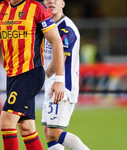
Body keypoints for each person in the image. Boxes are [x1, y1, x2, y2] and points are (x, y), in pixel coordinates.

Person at [0, 0, 65, 149]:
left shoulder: (36, 7)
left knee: (6, 122)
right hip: (12, 77)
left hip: (30, 74)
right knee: (26, 128)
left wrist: (59, 79)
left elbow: (56, 41)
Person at [41, 0, 90, 149]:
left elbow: (61, 57)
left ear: (62, 4)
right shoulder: (46, 25)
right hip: (52, 85)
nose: (51, 2)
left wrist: (42, 75)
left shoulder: (66, 27)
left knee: (55, 132)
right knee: (48, 132)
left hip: (63, 86)